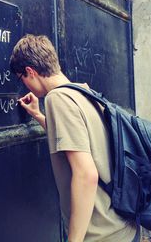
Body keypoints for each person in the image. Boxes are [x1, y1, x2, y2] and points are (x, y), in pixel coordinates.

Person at [9, 34, 138, 242]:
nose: (24, 86)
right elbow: (76, 137)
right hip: (122, 227)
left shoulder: (57, 98)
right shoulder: (84, 92)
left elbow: (86, 174)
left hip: (102, 235)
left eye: (21, 78)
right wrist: (38, 115)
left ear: (30, 72)